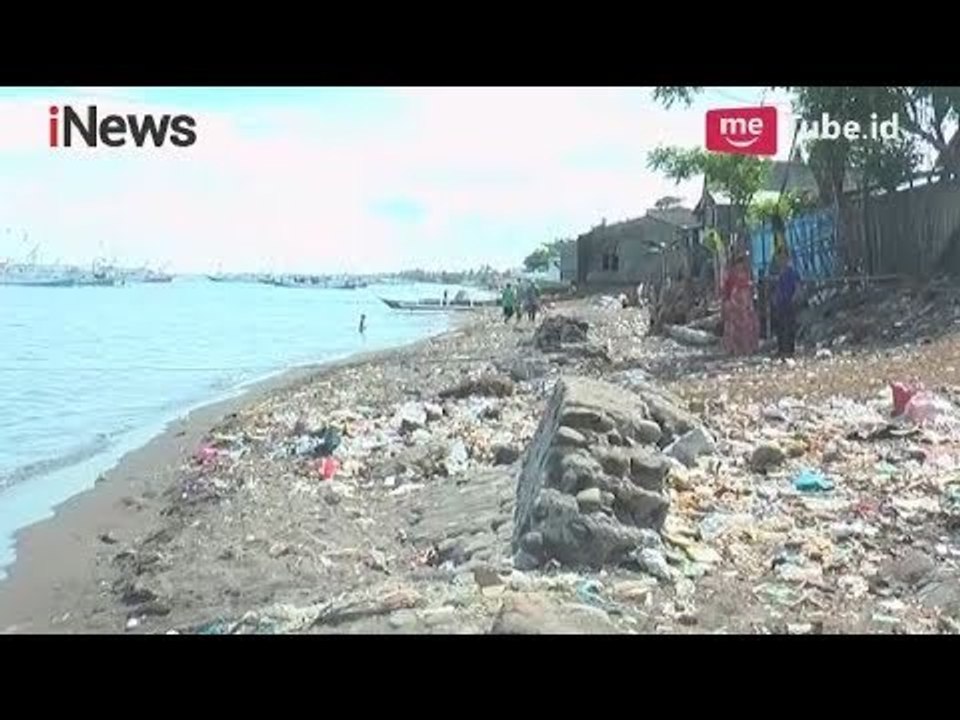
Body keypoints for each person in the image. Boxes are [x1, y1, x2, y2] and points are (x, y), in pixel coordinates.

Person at [721, 251, 759, 356]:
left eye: (743, 262)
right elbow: (726, 290)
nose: (741, 265)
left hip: (745, 305)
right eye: (740, 262)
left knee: (749, 326)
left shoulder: (747, 273)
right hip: (736, 304)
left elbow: (750, 289)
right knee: (735, 328)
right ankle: (735, 350)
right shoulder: (731, 275)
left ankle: (748, 349)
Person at [771, 250, 801, 358]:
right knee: (780, 327)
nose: (781, 261)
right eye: (779, 258)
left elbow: (797, 285)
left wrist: (795, 297)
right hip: (780, 303)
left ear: (787, 258)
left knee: (789, 326)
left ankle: (790, 349)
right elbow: (777, 288)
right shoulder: (779, 273)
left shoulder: (792, 271)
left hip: (789, 302)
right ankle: (781, 349)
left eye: (783, 258)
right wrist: (774, 298)